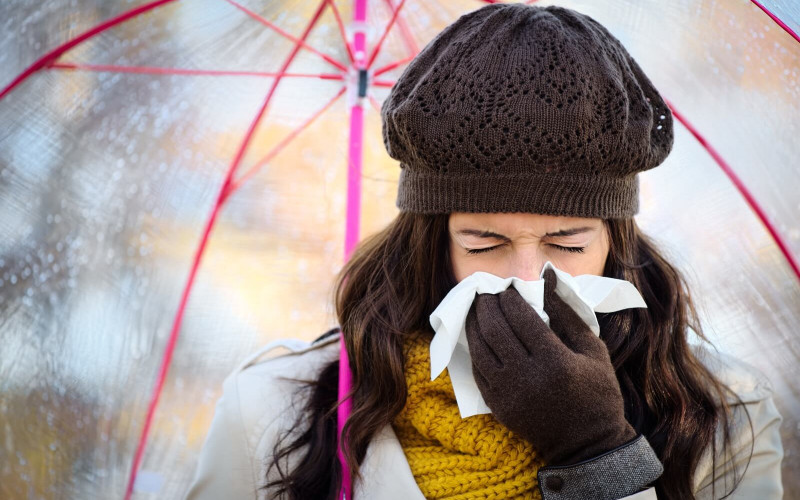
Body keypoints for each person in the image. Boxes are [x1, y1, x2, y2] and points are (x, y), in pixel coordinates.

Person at [185, 3, 783, 499]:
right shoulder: (273, 410)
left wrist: (599, 452)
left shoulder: (725, 419)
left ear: (615, 242)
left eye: (567, 243)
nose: (526, 279)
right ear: (430, 244)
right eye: (484, 242)